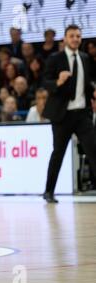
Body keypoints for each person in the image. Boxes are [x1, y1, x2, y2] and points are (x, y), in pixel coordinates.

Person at [42, 25, 96, 203]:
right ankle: (49, 191)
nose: (75, 39)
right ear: (65, 38)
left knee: (93, 150)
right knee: (58, 153)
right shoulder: (55, 58)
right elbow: (45, 82)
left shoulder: (85, 58)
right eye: (72, 36)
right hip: (62, 115)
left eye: (78, 36)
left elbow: (87, 83)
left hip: (82, 114)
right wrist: (58, 81)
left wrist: (93, 91)